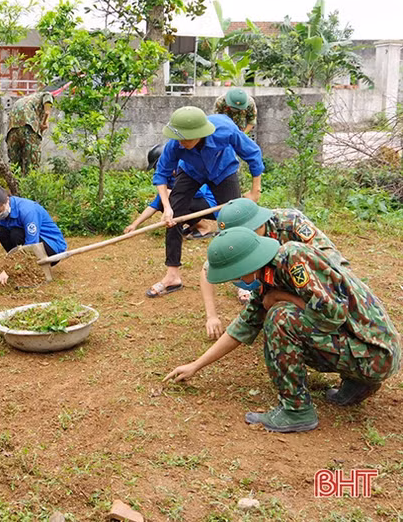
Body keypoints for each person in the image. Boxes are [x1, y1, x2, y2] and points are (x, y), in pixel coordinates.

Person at [165, 227, 400, 433]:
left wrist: (281, 297)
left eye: (234, 274)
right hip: (367, 350)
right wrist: (195, 365)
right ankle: (358, 383)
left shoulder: (293, 259)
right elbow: (242, 328)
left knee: (281, 318)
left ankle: (296, 411)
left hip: (375, 353)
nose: (234, 280)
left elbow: (333, 315)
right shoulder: (268, 275)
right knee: (280, 312)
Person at [146, 106, 263, 298]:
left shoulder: (225, 130)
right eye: (179, 139)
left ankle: (244, 278)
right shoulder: (176, 144)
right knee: (174, 216)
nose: (181, 143)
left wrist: (255, 190)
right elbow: (161, 175)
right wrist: (167, 208)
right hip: (191, 171)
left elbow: (253, 154)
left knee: (235, 221)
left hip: (223, 171)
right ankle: (172, 276)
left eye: (186, 139)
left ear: (200, 133)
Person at [200, 198, 350, 339]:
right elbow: (208, 270)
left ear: (259, 225)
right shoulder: (234, 241)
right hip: (274, 276)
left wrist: (343, 295)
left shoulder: (291, 221)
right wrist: (212, 317)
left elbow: (329, 258)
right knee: (266, 301)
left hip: (308, 279)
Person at [0, 185, 66, 288]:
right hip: (33, 248)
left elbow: (32, 244)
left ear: (7, 200)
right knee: (0, 231)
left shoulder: (27, 210)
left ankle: (27, 269)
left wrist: (8, 270)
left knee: (16, 233)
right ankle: (21, 268)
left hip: (52, 249)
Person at [124, 144, 218, 238]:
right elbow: (154, 205)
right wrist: (134, 224)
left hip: (213, 206)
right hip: (197, 204)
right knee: (164, 202)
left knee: (173, 199)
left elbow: (199, 194)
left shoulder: (187, 169)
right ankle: (195, 226)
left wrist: (170, 193)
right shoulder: (169, 178)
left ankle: (204, 228)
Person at [6, 91, 53, 175]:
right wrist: (45, 123)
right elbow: (47, 112)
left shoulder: (24, 100)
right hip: (28, 127)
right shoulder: (47, 94)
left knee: (15, 165)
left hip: (12, 130)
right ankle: (29, 183)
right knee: (32, 165)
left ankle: (15, 183)